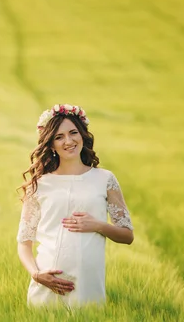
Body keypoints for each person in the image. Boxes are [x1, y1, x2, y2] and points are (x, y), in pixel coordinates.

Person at [17, 103, 134, 308]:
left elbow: (127, 235)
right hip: (47, 286)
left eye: (73, 133)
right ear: (50, 144)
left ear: (83, 135)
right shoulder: (40, 184)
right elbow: (24, 243)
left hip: (89, 287)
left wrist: (98, 225)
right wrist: (37, 275)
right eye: (59, 137)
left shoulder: (104, 179)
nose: (68, 141)